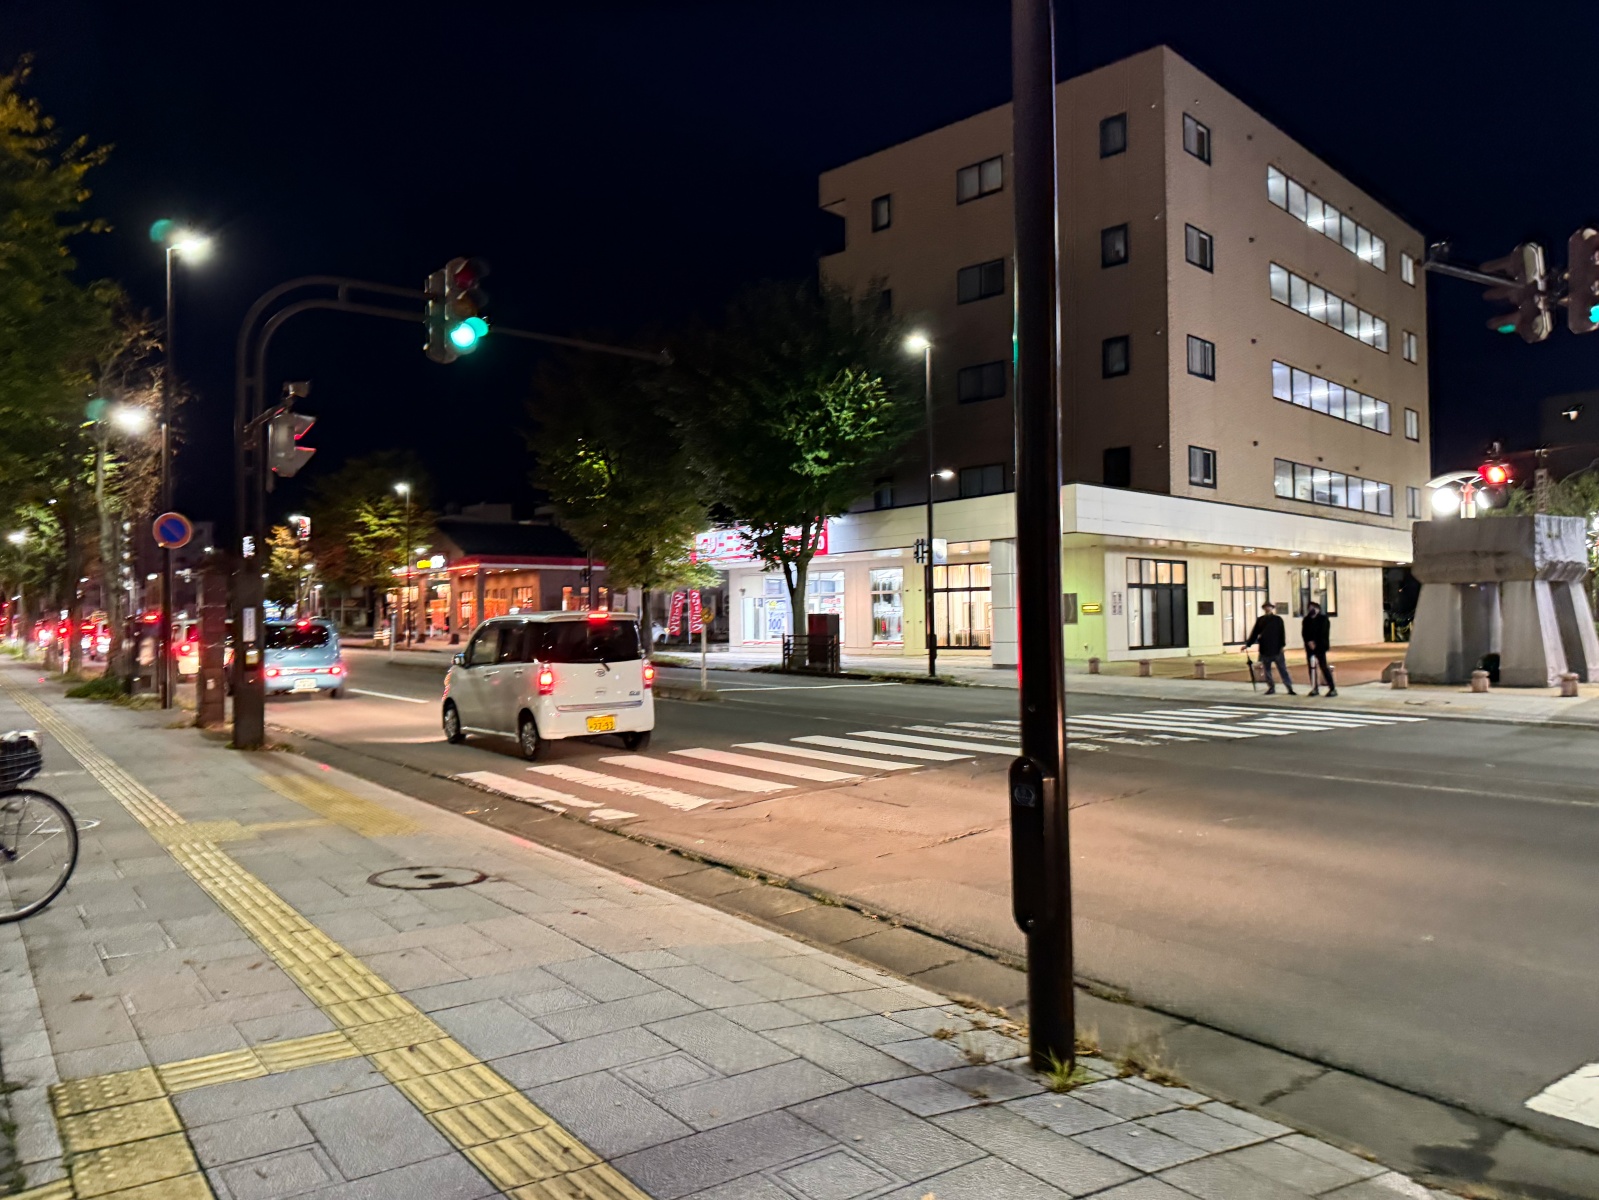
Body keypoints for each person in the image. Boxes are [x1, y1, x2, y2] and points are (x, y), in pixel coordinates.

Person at [1244, 601, 1295, 695]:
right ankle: (1271, 687)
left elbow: (1282, 633)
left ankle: (1289, 687)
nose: (1267, 609)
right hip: (1265, 648)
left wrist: (1282, 645)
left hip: (1277, 648)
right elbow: (1255, 633)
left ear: (1272, 608)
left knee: (1282, 669)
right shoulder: (1260, 620)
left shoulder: (1278, 619)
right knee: (1267, 670)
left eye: (1269, 607)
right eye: (1266, 607)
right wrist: (1248, 644)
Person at [1302, 600, 1337, 697]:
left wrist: (1315, 643)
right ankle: (1314, 687)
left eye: (1313, 608)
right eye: (1309, 608)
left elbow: (1323, 633)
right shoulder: (1306, 620)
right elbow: (1304, 633)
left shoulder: (1323, 619)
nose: (1311, 610)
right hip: (1309, 648)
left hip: (1320, 647)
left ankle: (1332, 688)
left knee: (1323, 666)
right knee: (1311, 668)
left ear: (1318, 609)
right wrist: (1309, 642)